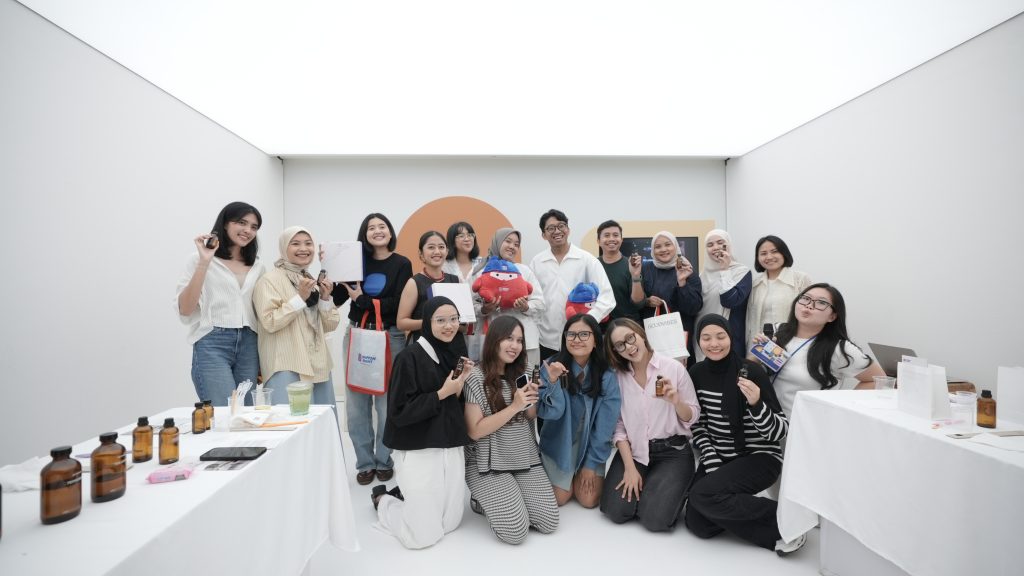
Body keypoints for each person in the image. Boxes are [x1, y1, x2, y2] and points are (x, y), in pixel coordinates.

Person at [685, 314, 804, 556]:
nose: (714, 344)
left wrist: (757, 404)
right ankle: (732, 498)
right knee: (699, 525)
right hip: (720, 455)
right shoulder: (696, 373)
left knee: (702, 495)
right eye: (706, 338)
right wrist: (712, 461)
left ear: (731, 337)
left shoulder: (751, 372)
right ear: (699, 342)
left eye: (721, 336)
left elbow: (779, 431)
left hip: (760, 456)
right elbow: (699, 424)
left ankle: (786, 525)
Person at [374, 296, 474, 549]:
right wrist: (442, 392)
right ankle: (384, 501)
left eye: (453, 319)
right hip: (419, 446)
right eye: (440, 320)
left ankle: (411, 500)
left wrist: (460, 385)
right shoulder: (409, 357)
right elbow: (399, 413)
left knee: (451, 523)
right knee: (421, 537)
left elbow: (455, 405)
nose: (449, 326)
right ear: (427, 323)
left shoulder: (455, 351)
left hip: (449, 443)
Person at [463, 315, 559, 544]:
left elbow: (529, 416)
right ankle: (480, 500)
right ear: (494, 340)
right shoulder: (475, 376)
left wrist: (533, 397)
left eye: (519, 340)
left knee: (548, 522)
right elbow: (474, 431)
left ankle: (511, 495)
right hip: (487, 462)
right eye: (508, 338)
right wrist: (514, 405)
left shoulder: (523, 370)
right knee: (516, 532)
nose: (515, 346)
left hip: (522, 456)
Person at [333, 213, 413, 485]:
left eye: (382, 226)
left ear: (390, 232)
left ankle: (384, 459)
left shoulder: (402, 263)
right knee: (356, 403)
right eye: (371, 228)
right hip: (357, 333)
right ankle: (364, 462)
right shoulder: (356, 262)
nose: (377, 231)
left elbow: (400, 303)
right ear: (364, 234)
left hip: (390, 336)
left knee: (387, 402)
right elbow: (336, 298)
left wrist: (364, 300)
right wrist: (330, 267)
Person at [600, 318, 699, 532]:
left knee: (654, 521)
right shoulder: (618, 377)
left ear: (641, 334)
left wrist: (676, 402)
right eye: (620, 345)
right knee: (615, 511)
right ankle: (653, 487)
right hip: (635, 452)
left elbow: (693, 416)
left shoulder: (673, 368)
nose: (629, 347)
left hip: (673, 452)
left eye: (630, 338)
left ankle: (672, 487)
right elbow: (618, 427)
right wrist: (629, 468)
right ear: (616, 351)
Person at [176, 201, 265, 406]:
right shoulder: (198, 259)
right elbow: (186, 309)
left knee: (245, 414)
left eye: (254, 226)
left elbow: (261, 309)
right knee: (224, 412)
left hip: (250, 343)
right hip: (213, 341)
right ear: (225, 224)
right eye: (242, 222)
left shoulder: (258, 266)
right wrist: (204, 262)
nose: (248, 230)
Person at [757, 283, 885, 416]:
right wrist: (756, 352)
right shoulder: (776, 330)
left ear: (832, 316)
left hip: (803, 425)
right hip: (765, 423)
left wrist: (844, 407)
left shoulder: (840, 348)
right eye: (806, 298)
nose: (809, 305)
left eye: (821, 303)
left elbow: (878, 380)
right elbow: (753, 371)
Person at [537, 314, 621, 508]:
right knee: (560, 499)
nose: (577, 339)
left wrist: (591, 465)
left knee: (588, 500)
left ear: (595, 341)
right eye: (571, 334)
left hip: (591, 442)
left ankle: (584, 467)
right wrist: (552, 383)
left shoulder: (606, 374)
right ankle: (565, 474)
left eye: (584, 334)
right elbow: (550, 414)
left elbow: (605, 426)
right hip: (560, 443)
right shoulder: (550, 366)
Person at [252, 226, 340, 406]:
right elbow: (269, 321)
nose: (303, 249)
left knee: (322, 424)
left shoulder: (310, 281)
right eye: (295, 243)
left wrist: (324, 298)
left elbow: (330, 326)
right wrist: (300, 298)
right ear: (284, 248)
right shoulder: (269, 280)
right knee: (292, 424)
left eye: (308, 244)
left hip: (318, 363)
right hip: (286, 363)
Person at [529, 209, 615, 361]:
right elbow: (533, 299)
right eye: (550, 228)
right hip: (546, 340)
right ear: (543, 235)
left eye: (561, 226)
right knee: (550, 382)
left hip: (580, 340)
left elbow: (607, 298)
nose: (557, 231)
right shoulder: (537, 262)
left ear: (568, 229)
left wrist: (587, 322)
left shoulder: (586, 259)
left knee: (582, 382)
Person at [474, 227, 546, 367]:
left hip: (526, 342)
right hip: (494, 341)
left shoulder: (524, 271)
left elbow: (540, 303)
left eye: (516, 244)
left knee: (527, 382)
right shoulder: (482, 272)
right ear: (497, 242)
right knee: (495, 383)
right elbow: (472, 307)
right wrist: (485, 309)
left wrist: (526, 307)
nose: (512, 247)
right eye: (508, 241)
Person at [639, 230, 703, 364]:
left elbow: (693, 308)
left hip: (679, 337)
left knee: (679, 377)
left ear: (676, 247)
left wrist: (682, 283)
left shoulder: (687, 270)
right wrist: (646, 301)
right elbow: (634, 300)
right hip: (651, 334)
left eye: (668, 244)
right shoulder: (645, 269)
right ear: (652, 250)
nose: (663, 249)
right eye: (658, 246)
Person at [745, 235, 811, 351]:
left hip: (794, 345)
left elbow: (811, 314)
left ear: (784, 253)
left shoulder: (800, 279)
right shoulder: (755, 284)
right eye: (763, 253)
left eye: (774, 252)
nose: (769, 257)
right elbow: (750, 321)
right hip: (761, 347)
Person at [696, 229, 751, 361]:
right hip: (703, 334)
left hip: (728, 335)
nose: (716, 247)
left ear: (729, 246)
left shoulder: (741, 272)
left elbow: (730, 301)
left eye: (720, 243)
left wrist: (724, 270)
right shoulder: (701, 276)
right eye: (710, 245)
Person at [396, 231, 459, 344]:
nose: (437, 251)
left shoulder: (455, 280)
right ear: (421, 254)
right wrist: (432, 322)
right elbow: (401, 323)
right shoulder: (414, 283)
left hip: (452, 346)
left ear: (447, 252)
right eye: (431, 247)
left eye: (441, 247)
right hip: (424, 345)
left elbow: (462, 323)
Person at [442, 221, 485, 360]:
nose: (467, 238)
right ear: (452, 241)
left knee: (480, 365)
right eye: (461, 235)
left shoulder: (484, 263)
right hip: (454, 324)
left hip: (480, 321)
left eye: (470, 234)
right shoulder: (444, 266)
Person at [596, 220, 644, 326]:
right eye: (607, 235)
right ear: (598, 241)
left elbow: (639, 303)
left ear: (621, 240)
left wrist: (635, 276)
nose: (611, 239)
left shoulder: (632, 265)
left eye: (615, 235)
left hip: (628, 326)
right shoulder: (593, 265)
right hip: (600, 327)